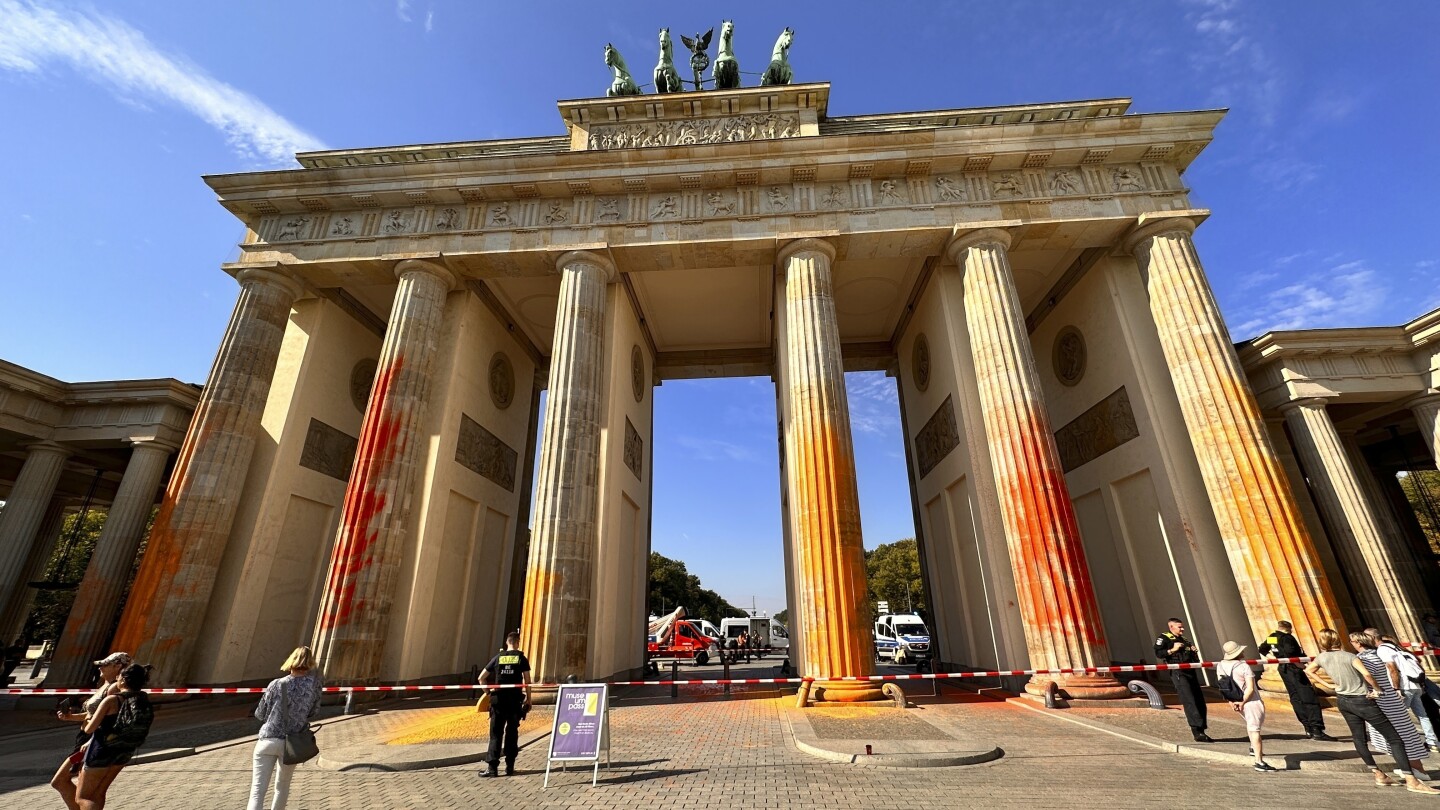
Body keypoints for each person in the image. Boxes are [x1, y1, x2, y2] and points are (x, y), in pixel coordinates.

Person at [1305, 628, 1436, 793]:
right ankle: (1412, 778)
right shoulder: (1354, 657)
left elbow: (1308, 670)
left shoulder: (1322, 657)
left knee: (1359, 738)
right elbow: (1368, 674)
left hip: (1344, 700)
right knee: (1397, 737)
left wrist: (1330, 686)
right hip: (1366, 700)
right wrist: (1378, 689)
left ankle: (1379, 774)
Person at [51, 651, 129, 810]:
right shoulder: (105, 685)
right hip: (86, 736)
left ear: (118, 666)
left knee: (68, 784)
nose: (100, 667)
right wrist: (70, 717)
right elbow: (93, 714)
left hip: (94, 738)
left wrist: (92, 740)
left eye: (104, 664)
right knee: (79, 788)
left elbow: (111, 719)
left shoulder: (114, 688)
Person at [248, 646, 322, 810]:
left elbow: (260, 713)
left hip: (268, 739)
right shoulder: (314, 685)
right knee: (282, 787)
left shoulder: (276, 684)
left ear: (291, 660)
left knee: (257, 790)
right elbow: (313, 711)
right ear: (310, 662)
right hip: (292, 743)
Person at [77, 662, 153, 810]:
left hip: (101, 750)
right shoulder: (142, 699)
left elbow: (89, 729)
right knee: (99, 792)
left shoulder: (112, 700)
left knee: (83, 797)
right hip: (125, 750)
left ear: (123, 680)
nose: (116, 678)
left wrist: (86, 720)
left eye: (118, 676)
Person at [1257, 620, 1334, 741]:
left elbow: (1263, 649)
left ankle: (1307, 727)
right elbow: (1291, 653)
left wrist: (1275, 659)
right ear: (1288, 628)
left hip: (1283, 668)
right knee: (1308, 697)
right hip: (1294, 668)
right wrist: (1302, 666)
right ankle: (1316, 729)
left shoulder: (1273, 637)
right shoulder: (1288, 638)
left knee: (1295, 697)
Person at [1370, 629, 1439, 751]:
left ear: (1372, 637)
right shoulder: (1395, 648)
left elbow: (1392, 668)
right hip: (1415, 684)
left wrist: (1396, 688)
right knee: (1422, 715)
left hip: (1404, 686)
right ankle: (1432, 742)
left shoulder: (1382, 649)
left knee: (1399, 716)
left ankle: (1405, 744)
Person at [1215, 641, 1275, 771]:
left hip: (1235, 699)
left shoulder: (1221, 665)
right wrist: (1243, 701)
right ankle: (1259, 761)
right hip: (1251, 701)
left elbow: (1224, 686)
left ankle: (1254, 749)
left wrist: (1232, 702)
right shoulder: (1243, 666)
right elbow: (1250, 688)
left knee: (1250, 725)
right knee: (1255, 730)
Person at [478, 631, 531, 777]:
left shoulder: (497, 658)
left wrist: (488, 693)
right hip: (514, 701)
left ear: (507, 642)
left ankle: (492, 768)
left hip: (498, 701)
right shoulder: (521, 658)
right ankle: (510, 766)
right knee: (512, 732)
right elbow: (527, 681)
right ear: (518, 642)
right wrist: (529, 699)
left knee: (495, 734)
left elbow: (481, 678)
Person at [1154, 618, 1211, 742]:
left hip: (1190, 671)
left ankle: (1202, 728)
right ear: (1171, 627)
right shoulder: (1164, 638)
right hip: (1178, 672)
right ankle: (1196, 731)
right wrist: (1172, 650)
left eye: (1182, 627)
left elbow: (1191, 656)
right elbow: (1158, 653)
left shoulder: (1184, 640)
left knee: (1198, 700)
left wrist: (1193, 651)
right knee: (1189, 699)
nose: (1183, 629)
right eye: (1179, 627)